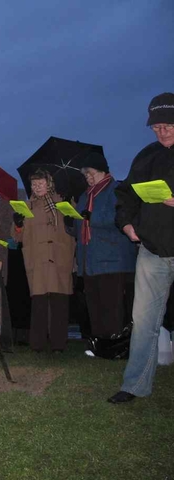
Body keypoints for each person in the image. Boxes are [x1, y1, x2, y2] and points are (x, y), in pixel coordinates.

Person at [108, 92, 174, 404]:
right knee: (144, 322)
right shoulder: (146, 156)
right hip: (152, 250)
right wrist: (126, 224)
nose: (162, 132)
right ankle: (134, 385)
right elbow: (126, 194)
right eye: (156, 127)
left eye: (168, 125)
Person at [72, 152, 137, 339]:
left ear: (104, 172)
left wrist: (93, 218)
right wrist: (72, 222)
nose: (89, 178)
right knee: (95, 306)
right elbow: (80, 227)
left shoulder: (116, 190)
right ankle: (100, 343)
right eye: (86, 175)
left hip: (112, 259)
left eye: (92, 173)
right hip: (90, 261)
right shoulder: (85, 196)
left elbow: (121, 218)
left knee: (112, 306)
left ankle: (115, 343)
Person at [12, 169, 75, 353]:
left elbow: (76, 228)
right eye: (34, 183)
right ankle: (37, 344)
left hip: (59, 257)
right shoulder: (26, 206)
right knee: (38, 303)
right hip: (37, 259)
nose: (37, 186)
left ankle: (58, 344)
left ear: (50, 184)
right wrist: (17, 224)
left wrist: (72, 222)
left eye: (41, 182)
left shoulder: (64, 202)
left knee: (59, 302)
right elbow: (16, 237)